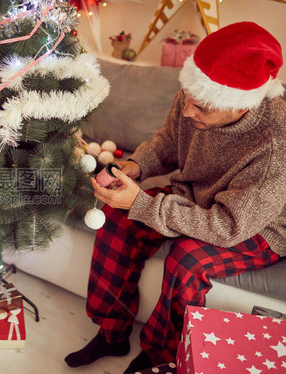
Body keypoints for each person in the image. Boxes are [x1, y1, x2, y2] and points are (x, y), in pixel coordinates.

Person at [65, 21, 285, 373]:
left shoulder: (275, 143)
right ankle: (112, 332)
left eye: (201, 108)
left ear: (239, 105)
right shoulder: (196, 95)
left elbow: (227, 227)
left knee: (186, 261)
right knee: (119, 222)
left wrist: (144, 203)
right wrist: (136, 166)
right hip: (196, 196)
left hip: (254, 226)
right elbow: (169, 141)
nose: (187, 112)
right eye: (189, 99)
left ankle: (160, 355)